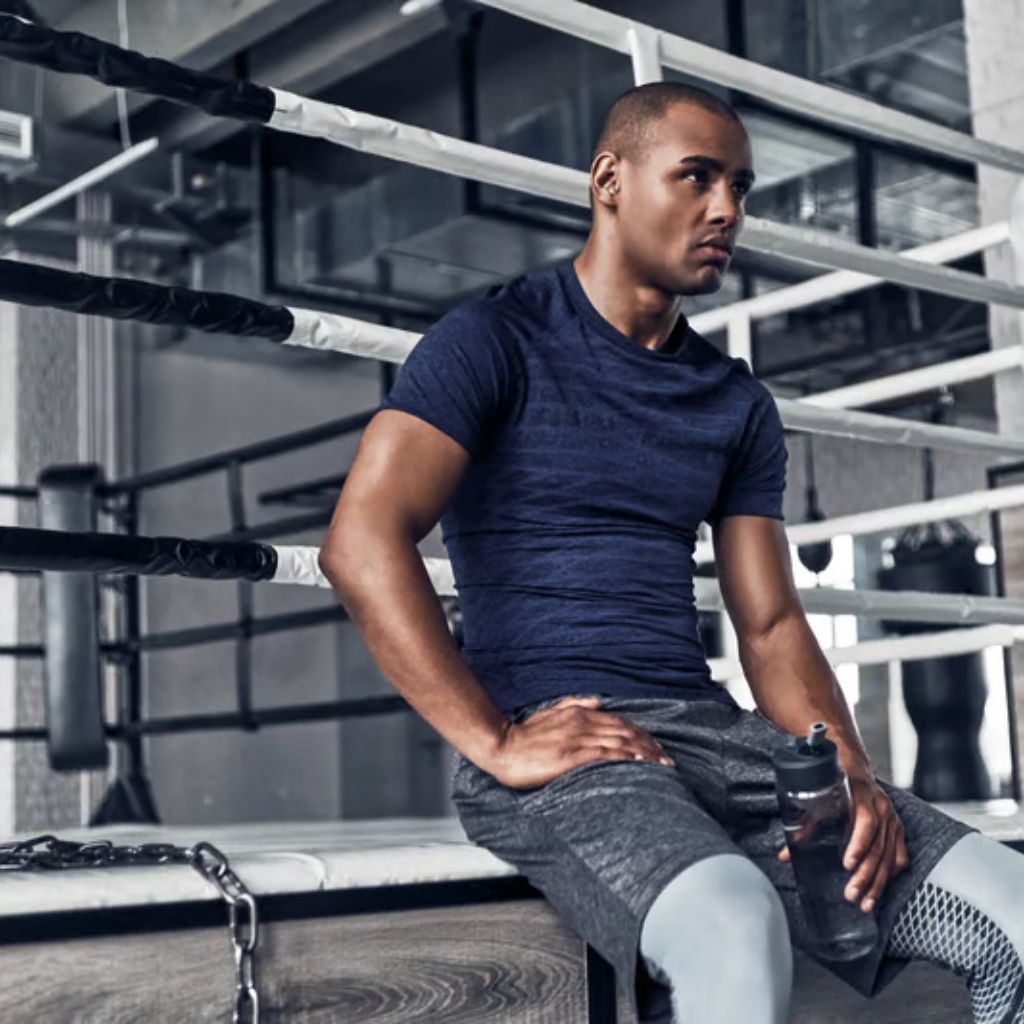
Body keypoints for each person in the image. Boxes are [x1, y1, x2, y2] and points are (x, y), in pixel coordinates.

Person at [318, 82, 1024, 1023]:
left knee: (1013, 915)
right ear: (609, 180)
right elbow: (360, 543)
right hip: (568, 736)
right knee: (734, 928)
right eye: (696, 177)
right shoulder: (492, 341)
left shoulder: (734, 402)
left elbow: (769, 624)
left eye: (739, 185)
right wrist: (495, 740)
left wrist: (851, 768)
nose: (727, 209)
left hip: (717, 733)